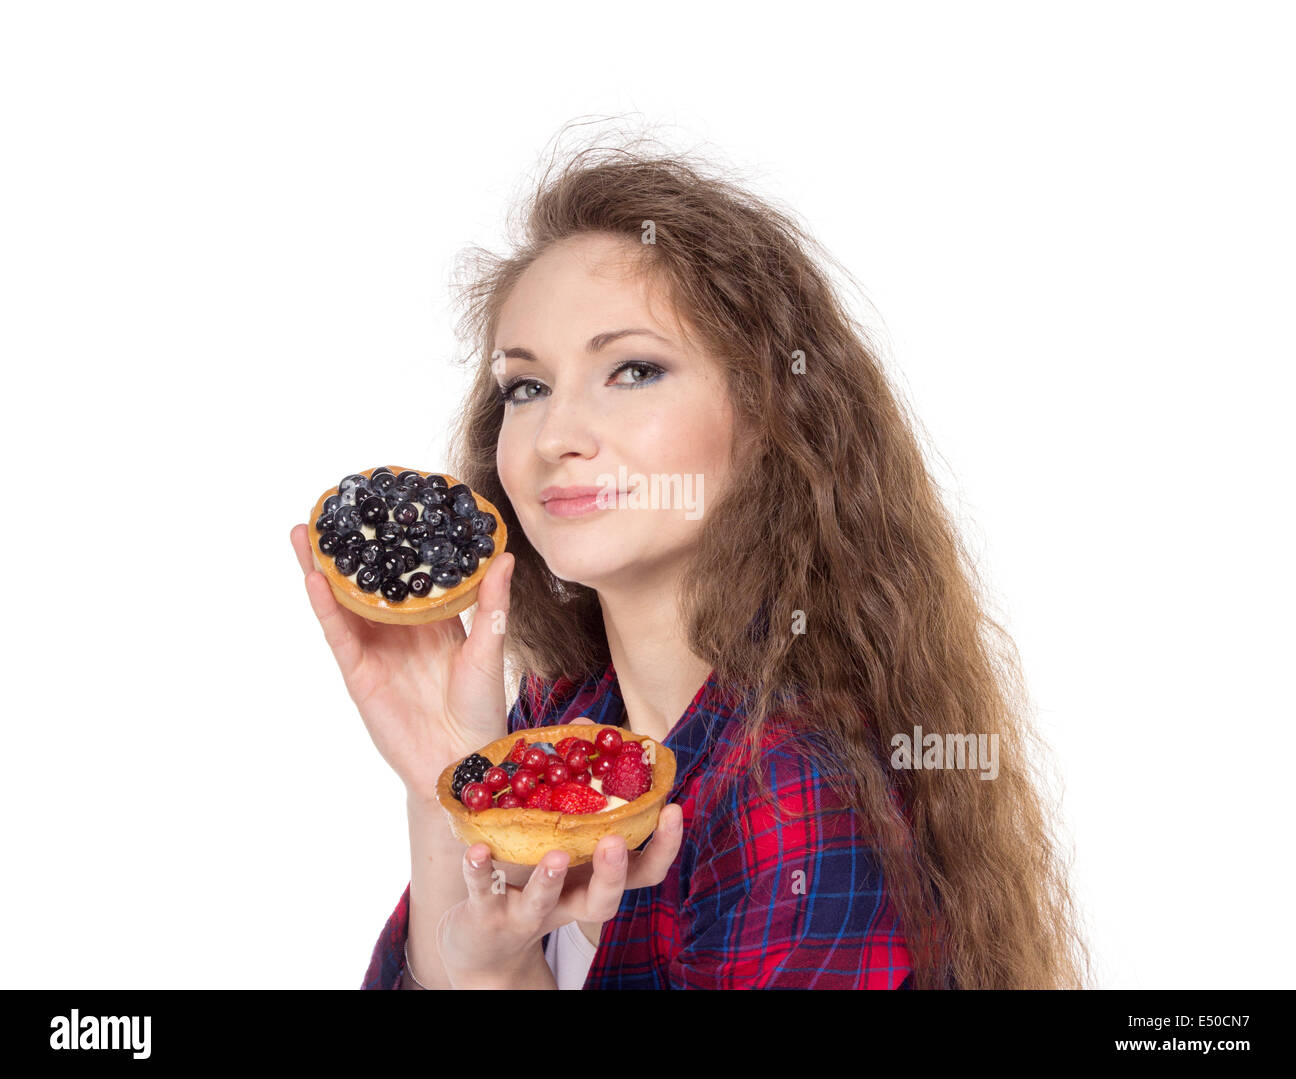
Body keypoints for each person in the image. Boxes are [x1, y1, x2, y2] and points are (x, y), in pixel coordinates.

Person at [290, 131, 1092, 990]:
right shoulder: (565, 719)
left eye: (633, 370)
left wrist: (498, 979)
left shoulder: (795, 799)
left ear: (769, 415)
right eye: (527, 386)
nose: (556, 435)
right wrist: (443, 787)